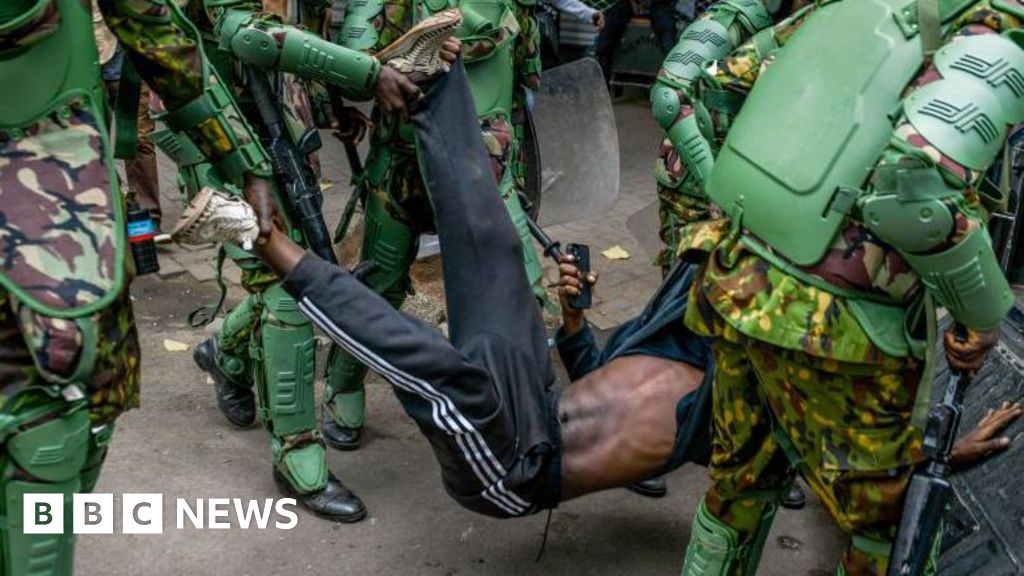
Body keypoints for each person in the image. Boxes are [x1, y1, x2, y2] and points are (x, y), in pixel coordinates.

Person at [171, 62, 1022, 522]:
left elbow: (843, 455)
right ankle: (437, 86)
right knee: (494, 250)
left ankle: (263, 244)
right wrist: (576, 315)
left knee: (440, 373)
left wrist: (943, 453)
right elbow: (592, 363)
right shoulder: (693, 316)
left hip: (514, 470)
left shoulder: (750, 397)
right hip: (532, 400)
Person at [665, 0, 1024, 573]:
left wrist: (766, 213)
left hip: (736, 279)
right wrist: (981, 315)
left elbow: (714, 88)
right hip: (840, 329)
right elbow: (915, 196)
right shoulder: (996, 19)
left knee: (738, 485)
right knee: (889, 534)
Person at [0, 0, 278, 573]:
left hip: (63, 244)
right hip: (59, 246)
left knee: (61, 432)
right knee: (55, 429)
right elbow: (164, 44)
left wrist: (247, 161)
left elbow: (164, 44)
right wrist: (245, 161)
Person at [161, 0, 460, 521]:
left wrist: (326, 107)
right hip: (222, 149)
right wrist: (370, 75)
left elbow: (283, 36)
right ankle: (297, 456)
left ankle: (226, 353)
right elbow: (246, 36)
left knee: (296, 283)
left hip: (277, 147)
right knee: (290, 295)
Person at [324, 0, 548, 453]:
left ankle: (527, 407)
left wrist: (518, 170)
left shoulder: (515, 9)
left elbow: (525, 86)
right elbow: (352, 59)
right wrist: (390, 63)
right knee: (378, 285)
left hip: (484, 171)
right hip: (404, 169)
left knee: (521, 288)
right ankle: (344, 385)